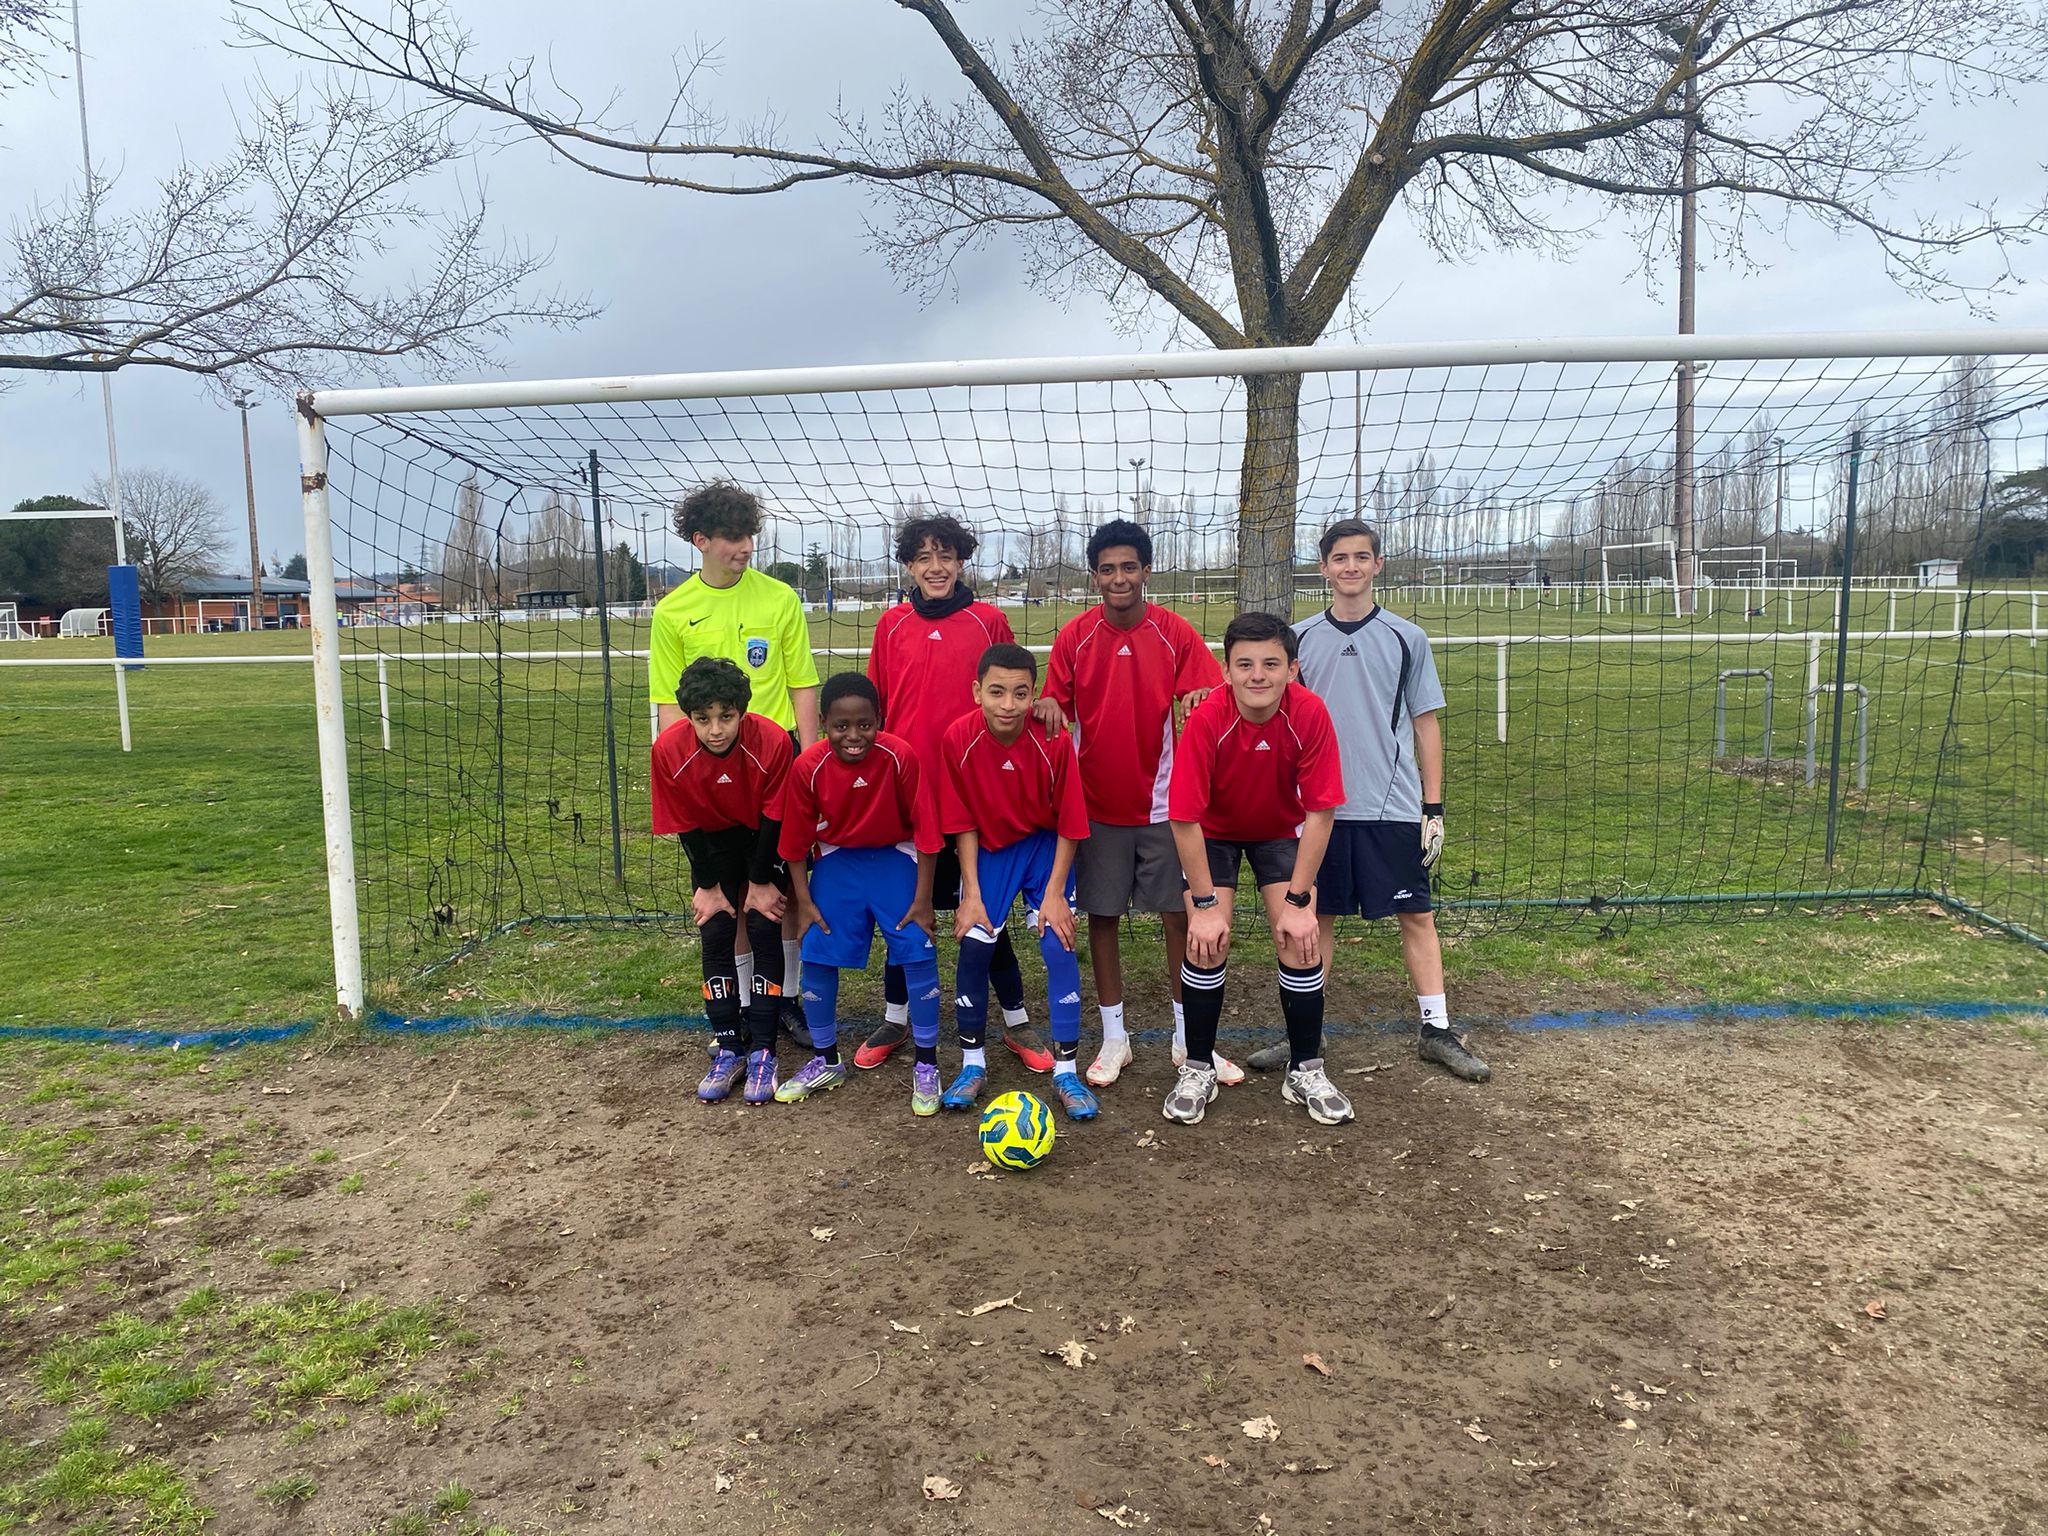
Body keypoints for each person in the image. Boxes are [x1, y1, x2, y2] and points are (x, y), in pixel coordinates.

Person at [1259, 518, 1490, 1083]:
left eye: (1362, 557)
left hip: (1391, 805)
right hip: (1319, 811)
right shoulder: (1298, 640)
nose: (1351, 567)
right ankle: (1304, 1033)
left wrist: (1432, 808)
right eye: (1340, 558)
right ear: (1323, 568)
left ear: (1378, 565)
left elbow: (1425, 724)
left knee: (1416, 914)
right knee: (1315, 917)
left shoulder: (1407, 638)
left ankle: (1436, 1029)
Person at [1031, 518, 1235, 1088]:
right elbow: (1053, 702)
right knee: (1102, 919)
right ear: (1094, 576)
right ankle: (1114, 1038)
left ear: (1146, 570)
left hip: (1164, 807)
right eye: (1107, 569)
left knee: (1178, 916)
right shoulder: (1075, 637)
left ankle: (1186, 1036)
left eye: (1128, 567)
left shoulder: (1175, 632)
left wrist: (1202, 694)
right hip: (1095, 808)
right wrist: (1048, 705)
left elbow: (1211, 694)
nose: (1118, 578)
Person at [853, 513, 1047, 1073]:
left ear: (961, 561)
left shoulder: (989, 621)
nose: (935, 567)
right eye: (923, 558)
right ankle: (896, 1018)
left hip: (973, 798)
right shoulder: (890, 625)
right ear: (909, 566)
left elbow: (1012, 698)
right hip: (909, 800)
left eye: (945, 556)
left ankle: (1016, 1020)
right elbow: (876, 714)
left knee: (983, 914)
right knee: (906, 915)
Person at [649, 480, 821, 1047]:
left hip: (777, 763)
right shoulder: (673, 611)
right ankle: (747, 1005)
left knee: (784, 889)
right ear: (700, 540)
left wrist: (811, 767)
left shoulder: (779, 598)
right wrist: (686, 778)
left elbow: (802, 685)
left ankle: (786, 997)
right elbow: (670, 708)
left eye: (749, 534)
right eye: (731, 537)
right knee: (735, 894)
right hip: (711, 770)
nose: (745, 546)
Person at [1164, 612, 1350, 1128]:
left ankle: (1305, 1069)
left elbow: (1321, 813)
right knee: (1206, 942)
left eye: (1271, 663)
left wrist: (1299, 902)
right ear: (1225, 671)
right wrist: (1204, 907)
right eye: (1244, 664)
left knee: (1300, 938)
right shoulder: (1208, 718)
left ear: (1293, 669)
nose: (1258, 675)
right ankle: (1198, 1067)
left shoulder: (1309, 712)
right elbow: (1183, 819)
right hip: (1213, 833)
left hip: (1278, 832)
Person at [774, 673, 948, 1115]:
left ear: (879, 721)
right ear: (823, 723)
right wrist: (805, 902)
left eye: (864, 724)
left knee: (917, 945)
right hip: (838, 858)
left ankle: (927, 1065)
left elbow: (928, 834)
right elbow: (793, 845)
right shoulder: (807, 767)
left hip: (895, 854)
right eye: (841, 726)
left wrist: (923, 899)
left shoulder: (900, 756)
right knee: (816, 948)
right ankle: (826, 1060)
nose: (853, 736)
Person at [937, 643, 1097, 1120]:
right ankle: (972, 1065)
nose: (1008, 704)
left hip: (1044, 848)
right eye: (997, 692)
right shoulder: (957, 738)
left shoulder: (1053, 738)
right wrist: (971, 893)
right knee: (974, 943)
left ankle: (1066, 1071)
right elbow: (962, 822)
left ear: (1034, 694)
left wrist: (1055, 894)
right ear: (977, 692)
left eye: (1020, 693)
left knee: (1058, 942)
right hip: (990, 851)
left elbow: (1070, 823)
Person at [650, 658, 795, 1104]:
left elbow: (775, 817)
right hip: (712, 842)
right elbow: (685, 825)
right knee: (714, 930)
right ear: (688, 717)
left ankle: (764, 1051)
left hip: (761, 838)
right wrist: (708, 886)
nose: (715, 730)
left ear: (742, 712)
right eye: (703, 719)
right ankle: (730, 1047)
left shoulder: (773, 740)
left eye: (726, 717)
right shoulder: (668, 750)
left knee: (763, 924)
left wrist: (761, 882)